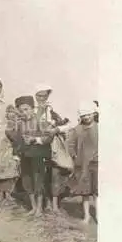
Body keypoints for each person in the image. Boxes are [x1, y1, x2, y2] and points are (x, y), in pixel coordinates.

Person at [6, 95, 55, 217]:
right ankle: (33, 207)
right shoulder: (19, 124)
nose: (24, 112)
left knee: (38, 180)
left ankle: (39, 208)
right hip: (25, 155)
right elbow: (16, 141)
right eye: (21, 110)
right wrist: (16, 154)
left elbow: (49, 137)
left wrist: (35, 139)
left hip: (38, 155)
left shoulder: (40, 121)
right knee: (27, 180)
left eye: (27, 109)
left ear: (33, 108)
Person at [34, 84, 73, 214]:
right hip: (38, 145)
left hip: (53, 146)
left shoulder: (53, 110)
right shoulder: (33, 110)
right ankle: (47, 202)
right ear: (35, 96)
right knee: (42, 174)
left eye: (44, 95)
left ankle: (55, 204)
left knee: (55, 174)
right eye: (39, 95)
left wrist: (57, 129)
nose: (41, 98)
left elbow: (68, 125)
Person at [68, 102, 99, 224]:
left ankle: (98, 215)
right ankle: (87, 216)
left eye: (89, 114)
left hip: (96, 163)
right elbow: (70, 144)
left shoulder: (99, 128)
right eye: (84, 115)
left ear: (94, 114)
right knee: (85, 192)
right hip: (82, 164)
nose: (86, 117)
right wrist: (74, 155)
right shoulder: (77, 130)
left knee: (97, 192)